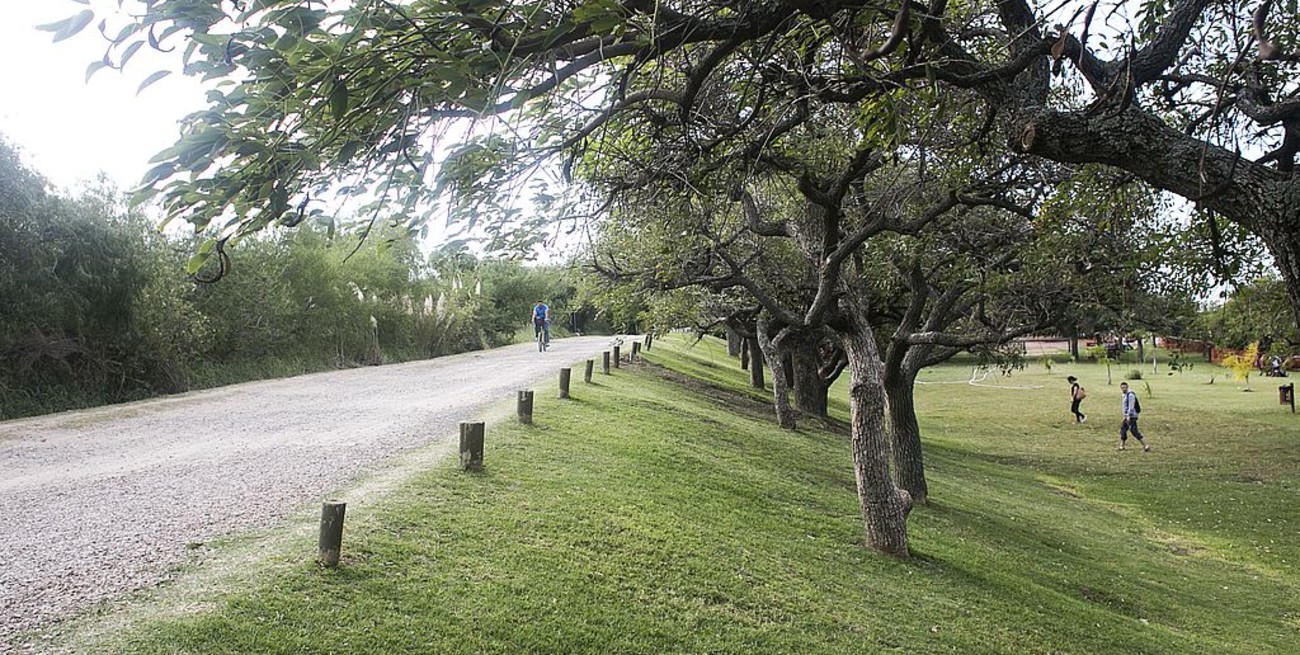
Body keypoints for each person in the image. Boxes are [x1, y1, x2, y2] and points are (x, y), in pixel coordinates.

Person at [1118, 382, 1150, 452]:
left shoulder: (1130, 395)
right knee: (1123, 430)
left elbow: (1131, 407)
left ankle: (1145, 446)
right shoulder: (1124, 395)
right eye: (1122, 388)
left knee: (1134, 431)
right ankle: (1122, 446)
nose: (1123, 389)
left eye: (1125, 387)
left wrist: (1128, 416)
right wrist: (1124, 416)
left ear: (1127, 387)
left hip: (1131, 416)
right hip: (1126, 416)